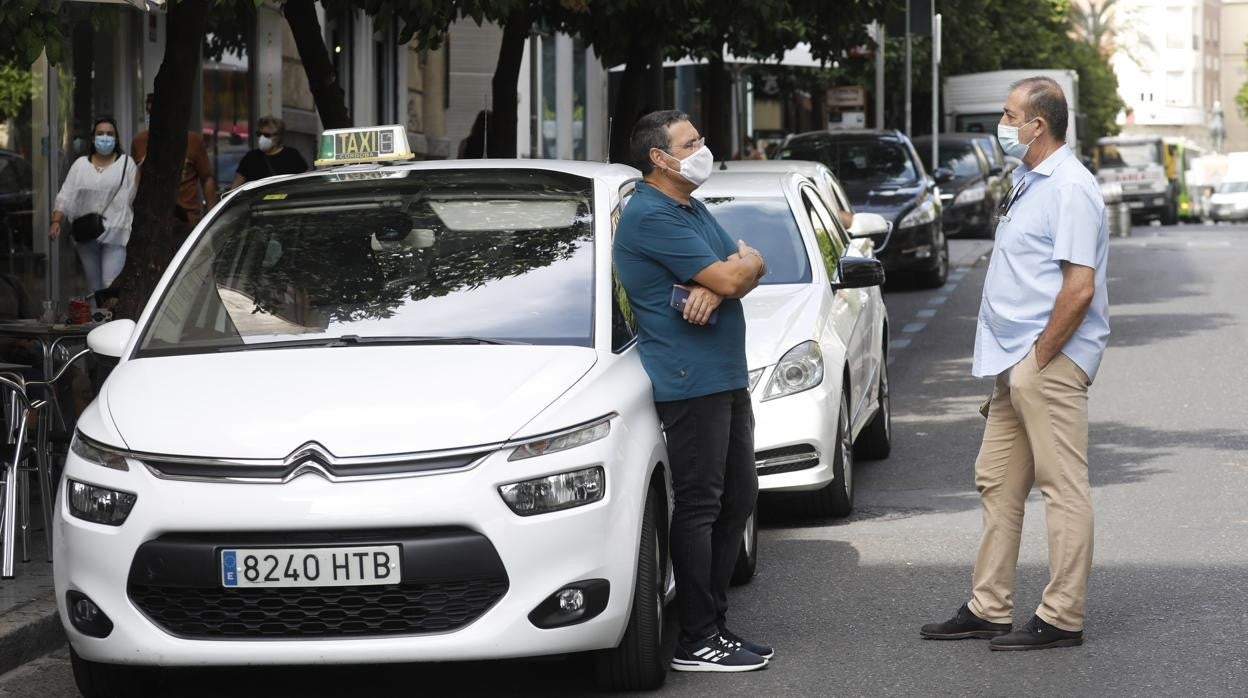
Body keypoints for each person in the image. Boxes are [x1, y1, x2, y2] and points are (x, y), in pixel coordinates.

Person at [920, 76, 1110, 651]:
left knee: (1061, 487)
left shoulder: (1071, 188)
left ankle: (1061, 617)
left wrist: (1038, 358)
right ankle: (989, 605)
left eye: (1008, 116)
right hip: (1017, 361)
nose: (1000, 126)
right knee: (997, 481)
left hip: (1045, 360)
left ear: (1037, 126)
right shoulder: (1030, 179)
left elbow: (1079, 288)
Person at [613, 110, 770, 673]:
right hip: (688, 378)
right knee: (702, 504)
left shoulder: (692, 208)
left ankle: (715, 624)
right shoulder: (650, 215)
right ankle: (696, 637)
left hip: (723, 373)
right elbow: (733, 274)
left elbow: (751, 263)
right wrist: (730, 276)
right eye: (691, 142)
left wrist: (734, 273)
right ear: (660, 157)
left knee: (739, 497)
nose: (702, 148)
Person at [49, 117, 138, 300]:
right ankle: (96, 323)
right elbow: (66, 194)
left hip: (115, 232)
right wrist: (56, 221)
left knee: (109, 283)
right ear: (92, 138)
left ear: (116, 138)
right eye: (100, 134)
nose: (105, 138)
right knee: (94, 285)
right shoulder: (81, 165)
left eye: (109, 134)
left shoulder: (126, 164)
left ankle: (110, 323)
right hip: (87, 232)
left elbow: (132, 196)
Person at [131, 93, 218, 225]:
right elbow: (134, 181)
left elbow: (207, 178)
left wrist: (212, 217)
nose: (154, 116)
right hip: (150, 221)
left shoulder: (193, 141)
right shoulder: (139, 141)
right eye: (150, 111)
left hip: (186, 219)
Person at [229, 116, 307, 189]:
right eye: (259, 134)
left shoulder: (292, 155)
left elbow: (305, 181)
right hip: (257, 202)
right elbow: (236, 184)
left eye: (266, 135)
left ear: (278, 136)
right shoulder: (251, 157)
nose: (261, 138)